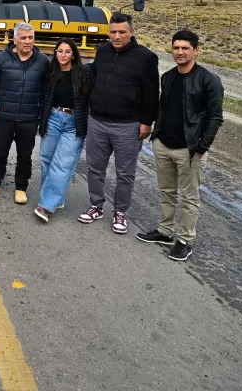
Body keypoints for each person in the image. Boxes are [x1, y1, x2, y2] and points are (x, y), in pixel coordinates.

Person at [137, 30, 224, 261]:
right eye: (176, 47)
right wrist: (156, 135)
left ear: (196, 50)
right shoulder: (167, 77)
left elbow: (215, 117)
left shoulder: (209, 80)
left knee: (189, 197)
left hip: (190, 149)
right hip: (164, 144)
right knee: (166, 191)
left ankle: (185, 240)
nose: (180, 52)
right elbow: (162, 108)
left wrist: (202, 147)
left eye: (185, 48)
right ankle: (165, 231)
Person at [78, 13, 159, 234]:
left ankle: (120, 212)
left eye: (122, 32)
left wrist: (146, 122)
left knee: (125, 173)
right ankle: (96, 205)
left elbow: (152, 93)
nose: (117, 36)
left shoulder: (146, 58)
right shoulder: (102, 51)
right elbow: (92, 74)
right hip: (98, 121)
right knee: (95, 168)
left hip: (128, 125)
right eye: (113, 31)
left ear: (131, 32)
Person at [0, 23, 49, 204]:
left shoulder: (43, 61)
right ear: (15, 39)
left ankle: (21, 188)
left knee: (25, 156)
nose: (27, 41)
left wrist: (42, 114)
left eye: (30, 37)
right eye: (23, 38)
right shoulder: (0, 59)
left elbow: (47, 89)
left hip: (29, 119)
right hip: (4, 117)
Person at [34, 39, 93, 223]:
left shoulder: (84, 73)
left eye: (67, 51)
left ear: (73, 54)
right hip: (53, 117)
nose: (63, 55)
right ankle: (54, 198)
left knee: (62, 164)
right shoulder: (51, 73)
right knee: (46, 158)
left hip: (74, 122)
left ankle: (46, 205)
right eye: (60, 51)